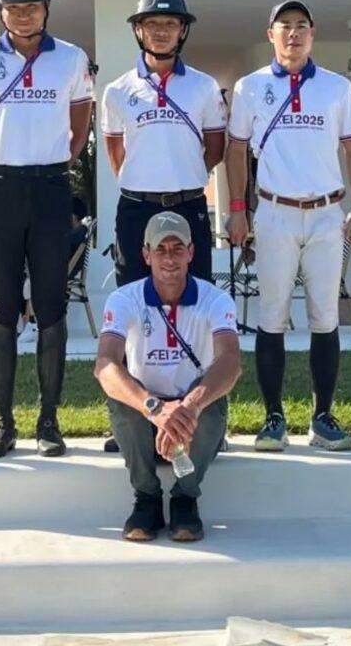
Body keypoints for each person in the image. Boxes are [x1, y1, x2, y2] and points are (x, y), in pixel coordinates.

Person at [0, 0, 94, 458]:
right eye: (13, 6)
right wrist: (3, 173)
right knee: (2, 307)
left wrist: (50, 168)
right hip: (1, 189)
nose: (23, 14)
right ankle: (3, 423)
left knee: (52, 304)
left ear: (47, 7)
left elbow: (79, 130)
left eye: (32, 6)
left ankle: (49, 422)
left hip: (51, 188)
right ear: (0, 9)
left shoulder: (73, 59)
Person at [225, 0, 351, 453]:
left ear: (313, 33)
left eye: (301, 25)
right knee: (272, 317)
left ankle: (322, 417)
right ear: (270, 34)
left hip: (327, 213)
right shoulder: (250, 87)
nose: (293, 33)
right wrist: (237, 208)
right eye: (284, 25)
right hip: (274, 213)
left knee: (325, 317)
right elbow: (235, 150)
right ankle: (273, 418)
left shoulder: (335, 88)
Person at [94, 212, 241, 542]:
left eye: (177, 249)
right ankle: (146, 497)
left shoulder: (216, 300)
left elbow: (230, 361)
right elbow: (105, 364)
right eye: (160, 250)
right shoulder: (124, 299)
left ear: (191, 252)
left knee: (211, 400)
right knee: (123, 397)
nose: (169, 258)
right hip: (147, 415)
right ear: (146, 255)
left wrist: (189, 406)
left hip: (193, 420)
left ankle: (185, 497)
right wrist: (155, 409)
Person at [101, 0, 226, 285]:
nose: (161, 31)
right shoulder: (117, 90)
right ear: (138, 29)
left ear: (182, 30)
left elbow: (215, 149)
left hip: (189, 204)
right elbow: (115, 152)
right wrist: (144, 180)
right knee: (132, 294)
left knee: (195, 293)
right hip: (136, 208)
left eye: (170, 23)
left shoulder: (204, 86)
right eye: (152, 23)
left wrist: (184, 173)